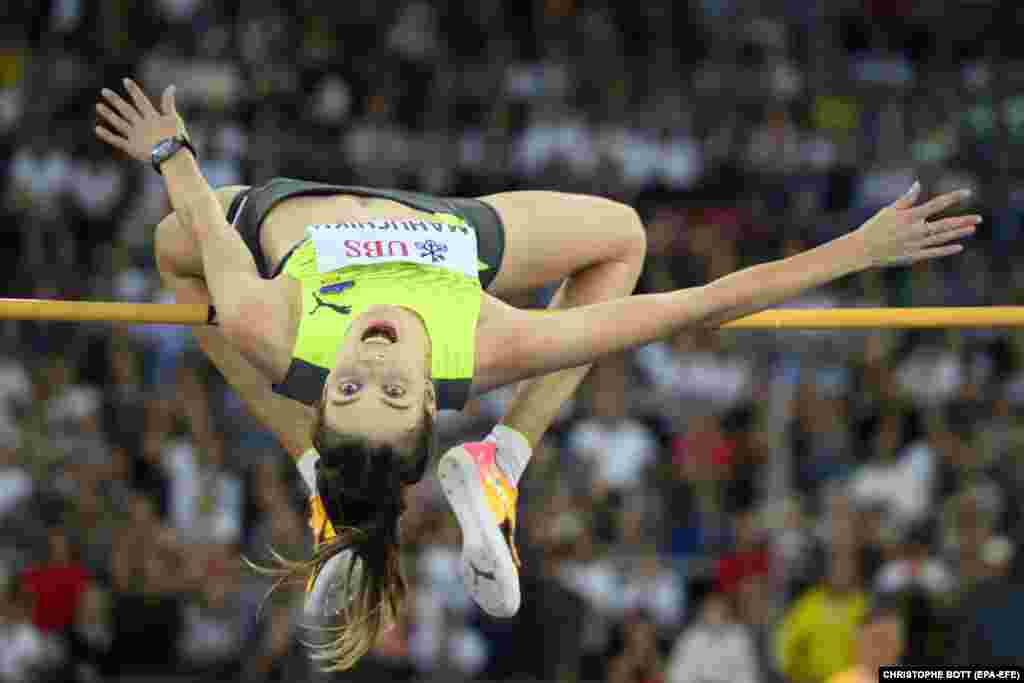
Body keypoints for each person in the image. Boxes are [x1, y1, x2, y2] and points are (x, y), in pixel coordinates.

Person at [94, 80, 979, 671]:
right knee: (624, 238)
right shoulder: (485, 342)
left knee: (179, 260)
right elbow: (702, 303)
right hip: (453, 235)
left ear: (321, 392)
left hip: (282, 215)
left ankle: (316, 475)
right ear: (432, 401)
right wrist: (854, 252)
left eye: (348, 388)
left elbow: (203, 226)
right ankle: (499, 461)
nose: (367, 361)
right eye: (394, 390)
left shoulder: (272, 324)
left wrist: (174, 153)